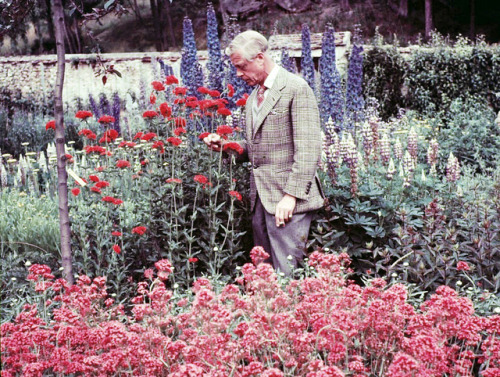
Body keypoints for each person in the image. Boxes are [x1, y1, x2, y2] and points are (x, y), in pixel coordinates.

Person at [204, 30, 324, 276]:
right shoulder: (254, 97)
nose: (238, 74)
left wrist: (291, 196)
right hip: (261, 198)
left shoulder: (295, 88)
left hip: (289, 201)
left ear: (259, 57)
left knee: (287, 274)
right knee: (264, 276)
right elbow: (256, 148)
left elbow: (309, 148)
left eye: (241, 66)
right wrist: (227, 147)